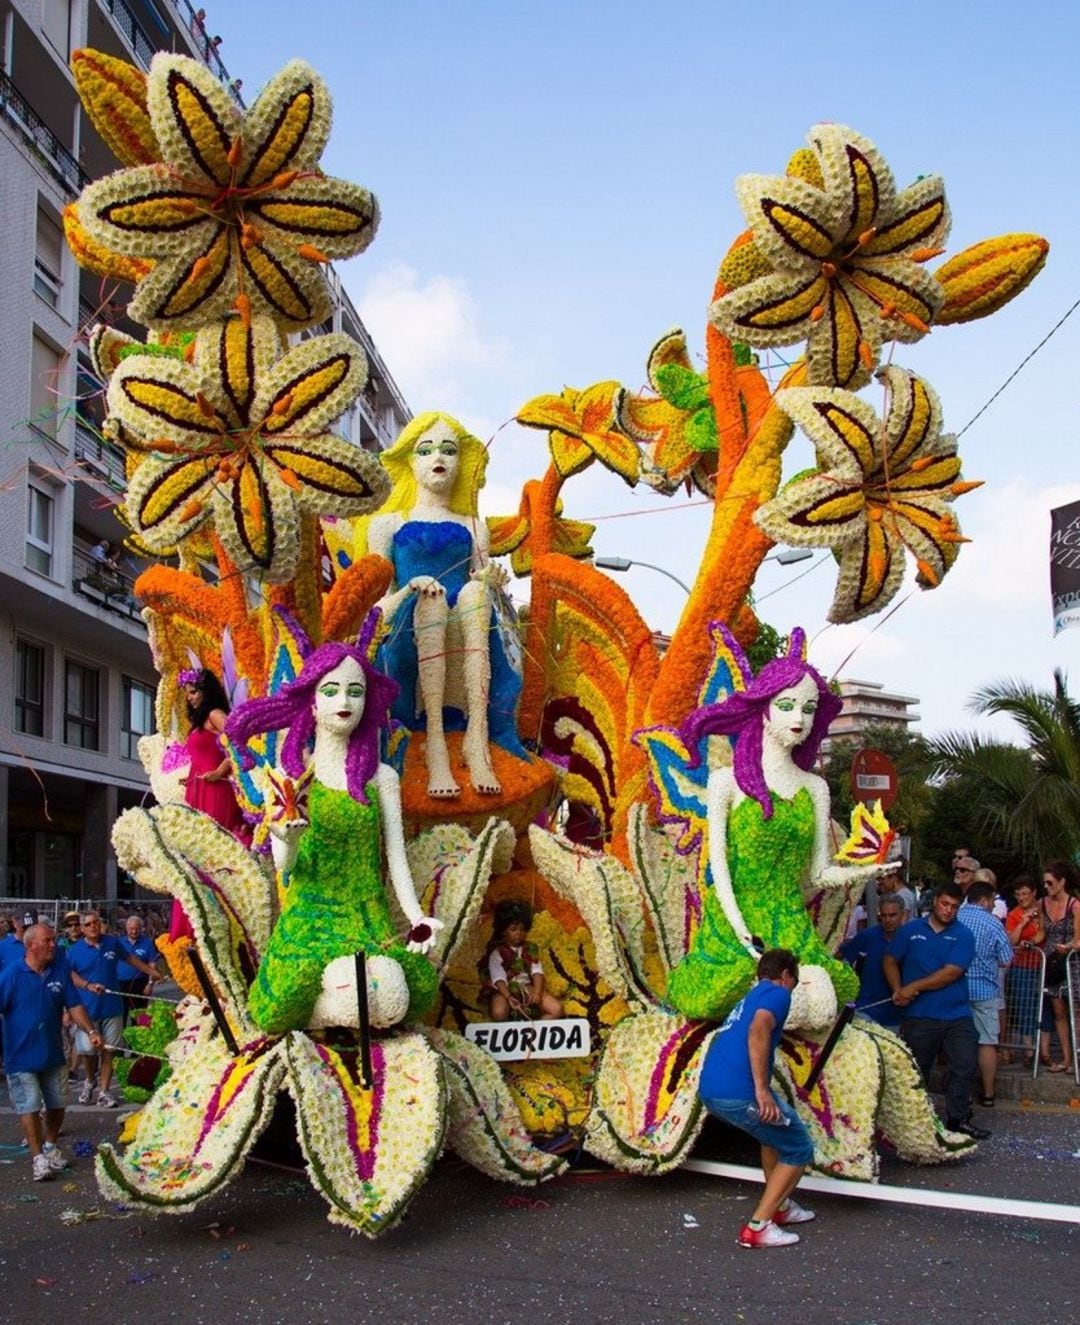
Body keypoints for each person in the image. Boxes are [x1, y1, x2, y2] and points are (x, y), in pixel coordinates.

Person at [664, 628, 896, 1023]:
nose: (798, 718)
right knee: (759, 1001)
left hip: (790, 923)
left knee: (821, 1007)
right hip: (735, 925)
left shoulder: (815, 789)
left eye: (808, 709)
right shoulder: (727, 782)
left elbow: (819, 874)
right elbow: (718, 867)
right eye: (787, 705)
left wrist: (868, 869)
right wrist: (740, 931)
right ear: (765, 708)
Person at [227, 642, 442, 1035]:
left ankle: (347, 1015)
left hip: (367, 919)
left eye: (354, 691)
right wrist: (287, 838)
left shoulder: (382, 779)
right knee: (350, 994)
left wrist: (416, 918)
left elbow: (395, 858)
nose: (344, 700)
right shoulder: (289, 776)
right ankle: (327, 1016)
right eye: (331, 690)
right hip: (311, 921)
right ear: (312, 700)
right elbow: (284, 867)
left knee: (393, 994)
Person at [362, 412, 525, 799]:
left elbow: (482, 583)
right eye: (427, 449)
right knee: (432, 599)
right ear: (410, 461)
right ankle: (434, 741)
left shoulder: (473, 526)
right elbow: (377, 603)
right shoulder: (386, 524)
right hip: (411, 620)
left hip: (468, 622)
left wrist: (491, 582)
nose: (439, 457)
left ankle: (476, 736)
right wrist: (411, 588)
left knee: (472, 594)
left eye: (449, 450)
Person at [698, 948, 815, 1249]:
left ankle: (782, 1207)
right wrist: (762, 1091)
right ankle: (759, 1226)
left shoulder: (751, 996)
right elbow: (759, 1030)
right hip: (738, 1090)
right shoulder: (778, 994)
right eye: (795, 981)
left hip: (714, 1088)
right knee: (799, 1148)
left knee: (772, 1137)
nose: (794, 988)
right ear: (786, 975)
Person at [883, 882, 988, 1139]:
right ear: (935, 902)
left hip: (956, 1012)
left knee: (964, 1065)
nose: (949, 910)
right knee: (918, 1069)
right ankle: (913, 1121)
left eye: (954, 906)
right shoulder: (910, 931)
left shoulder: (963, 934)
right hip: (920, 1015)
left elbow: (952, 972)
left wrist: (913, 986)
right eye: (945, 904)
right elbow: (890, 959)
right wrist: (898, 988)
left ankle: (958, 1118)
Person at [0, 924, 104, 1180]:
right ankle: (37, 1158)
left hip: (53, 1054)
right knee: (30, 1106)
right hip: (20, 1056)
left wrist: (91, 1031)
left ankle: (49, 1146)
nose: (53, 945)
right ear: (30, 945)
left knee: (58, 1105)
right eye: (47, 941)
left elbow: (75, 1005)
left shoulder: (58, 973)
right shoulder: (11, 975)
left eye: (53, 940)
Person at [171, 667, 248, 943]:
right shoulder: (201, 721)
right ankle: (191, 929)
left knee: (211, 856)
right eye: (187, 693)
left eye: (193, 692)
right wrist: (190, 778)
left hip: (217, 792)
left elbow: (239, 743)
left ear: (207, 691)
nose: (189, 698)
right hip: (197, 791)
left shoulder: (215, 715)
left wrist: (220, 771)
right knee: (193, 857)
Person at [66, 911, 159, 1107]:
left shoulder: (112, 942)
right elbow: (69, 975)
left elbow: (130, 959)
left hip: (112, 1007)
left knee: (110, 1049)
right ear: (82, 929)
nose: (93, 927)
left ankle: (104, 1090)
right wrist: (87, 986)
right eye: (89, 924)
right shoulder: (74, 951)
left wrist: (151, 972)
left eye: (96, 923)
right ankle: (90, 1080)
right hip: (87, 1010)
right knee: (89, 1050)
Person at [957, 881, 1014, 1107]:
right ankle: (988, 1093)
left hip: (956, 988)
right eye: (991, 900)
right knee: (987, 1042)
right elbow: (1006, 958)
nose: (993, 905)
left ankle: (962, 1093)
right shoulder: (993, 923)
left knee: (960, 1042)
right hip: (985, 990)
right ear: (983, 899)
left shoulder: (955, 918)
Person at [480, 900, 562, 1022]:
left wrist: (538, 993)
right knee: (498, 1013)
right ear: (503, 931)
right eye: (513, 929)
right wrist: (508, 997)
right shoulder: (496, 953)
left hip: (526, 987)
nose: (519, 933)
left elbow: (537, 972)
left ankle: (534, 1029)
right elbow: (498, 979)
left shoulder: (530, 948)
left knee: (557, 1009)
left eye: (522, 929)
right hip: (504, 991)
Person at [839, 894, 906, 1028]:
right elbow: (841, 956)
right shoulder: (867, 935)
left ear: (902, 915)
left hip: (897, 1016)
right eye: (884, 915)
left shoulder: (910, 939)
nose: (888, 920)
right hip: (865, 1009)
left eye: (893, 915)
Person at [1038, 860, 1079, 1073]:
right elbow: (1041, 933)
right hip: (1052, 961)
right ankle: (1066, 1059)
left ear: (1062, 882)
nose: (1047, 887)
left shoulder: (1075, 905)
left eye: (1050, 882)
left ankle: (1076, 1058)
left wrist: (1070, 945)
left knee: (1075, 1010)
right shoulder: (1042, 903)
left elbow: (1079, 938)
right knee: (1059, 1011)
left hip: (1071, 961)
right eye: (1045, 883)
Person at [1005, 876, 1045, 1066]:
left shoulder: (1043, 908)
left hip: (1042, 963)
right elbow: (1011, 941)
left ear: (1034, 893)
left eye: (1025, 894)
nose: (1021, 898)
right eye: (1018, 894)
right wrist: (1022, 923)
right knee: (1025, 1006)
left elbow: (1043, 931)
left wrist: (1034, 941)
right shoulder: (1014, 914)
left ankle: (1042, 1050)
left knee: (1043, 1007)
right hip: (1022, 965)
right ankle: (1029, 1050)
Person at [117, 915, 158, 1017]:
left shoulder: (147, 943)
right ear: (126, 928)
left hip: (140, 983)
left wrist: (150, 983)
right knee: (121, 1014)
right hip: (121, 983)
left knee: (140, 1015)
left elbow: (152, 964)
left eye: (137, 929)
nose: (134, 932)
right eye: (131, 929)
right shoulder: (118, 942)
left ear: (141, 929)